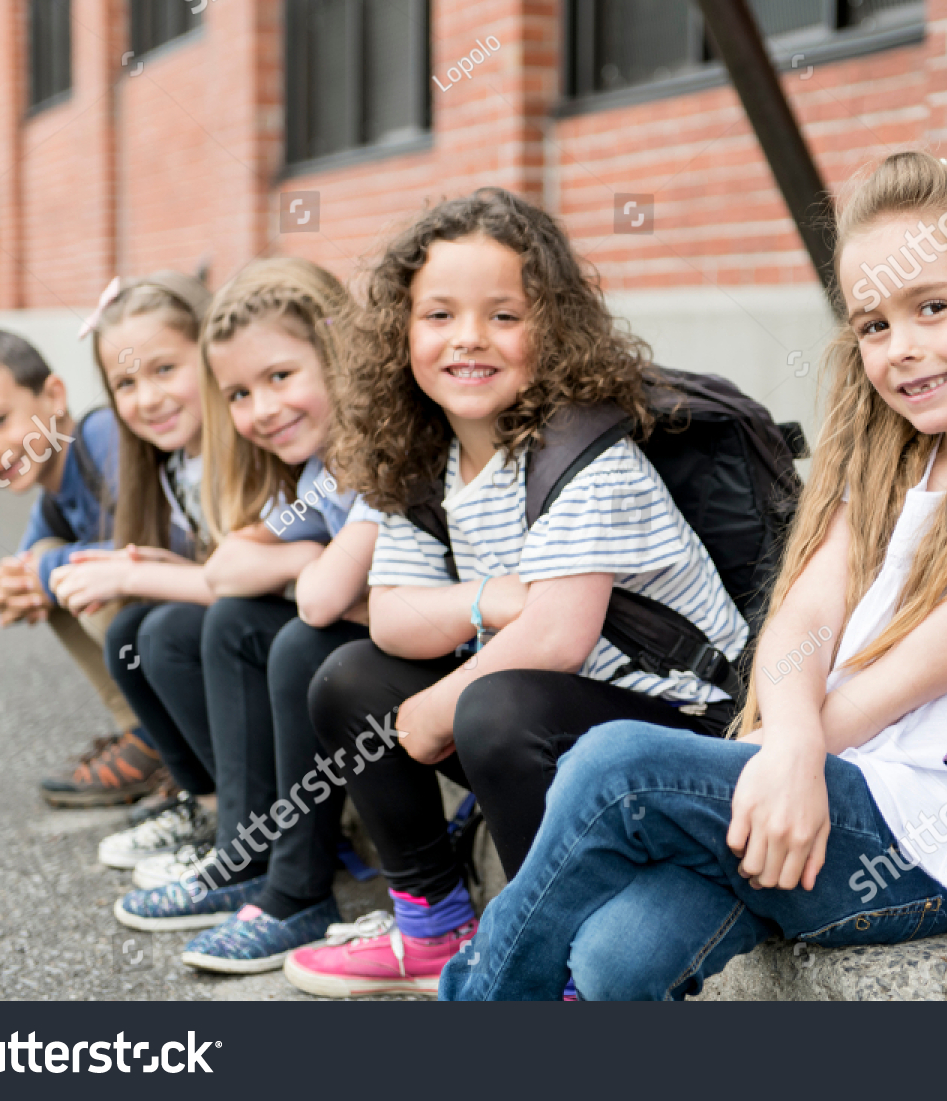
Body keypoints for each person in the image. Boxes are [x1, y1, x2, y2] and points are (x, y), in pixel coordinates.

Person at [438, 151, 947, 1001]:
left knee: (614, 768)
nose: (903, 349)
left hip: (926, 836)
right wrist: (787, 743)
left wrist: (780, 754)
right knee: (616, 957)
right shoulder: (890, 467)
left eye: (933, 308)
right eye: (873, 325)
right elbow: (802, 623)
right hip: (818, 785)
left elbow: (908, 675)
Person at [279, 187, 748, 998]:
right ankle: (434, 923)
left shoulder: (581, 452)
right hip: (556, 709)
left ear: (553, 329)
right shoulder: (420, 458)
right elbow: (391, 615)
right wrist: (491, 599)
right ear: (400, 332)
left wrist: (433, 708)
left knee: (491, 706)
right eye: (439, 316)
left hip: (679, 729)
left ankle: (555, 949)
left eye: (504, 315)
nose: (470, 339)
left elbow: (558, 637)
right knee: (348, 677)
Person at [111, 259, 382, 975]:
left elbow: (328, 603)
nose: (262, 409)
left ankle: (297, 893)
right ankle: (246, 854)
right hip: (380, 638)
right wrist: (303, 562)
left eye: (280, 377)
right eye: (238, 392)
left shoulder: (377, 454)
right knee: (211, 622)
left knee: (297, 639)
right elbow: (231, 565)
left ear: (336, 353)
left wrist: (311, 575)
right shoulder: (316, 470)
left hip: (441, 658)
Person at [0, 329, 166, 807]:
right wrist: (18, 583)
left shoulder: (102, 440)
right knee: (46, 573)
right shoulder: (53, 493)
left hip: (197, 609)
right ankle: (147, 738)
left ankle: (180, 741)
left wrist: (42, 573)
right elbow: (27, 563)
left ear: (54, 396)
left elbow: (150, 544)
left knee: (66, 576)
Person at [43, 271, 224, 867]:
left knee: (161, 631)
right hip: (244, 623)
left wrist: (133, 575)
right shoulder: (170, 466)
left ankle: (251, 825)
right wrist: (149, 564)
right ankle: (208, 806)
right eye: (125, 382)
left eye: (164, 369)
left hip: (288, 638)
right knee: (131, 631)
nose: (146, 398)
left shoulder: (245, 449)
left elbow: (257, 583)